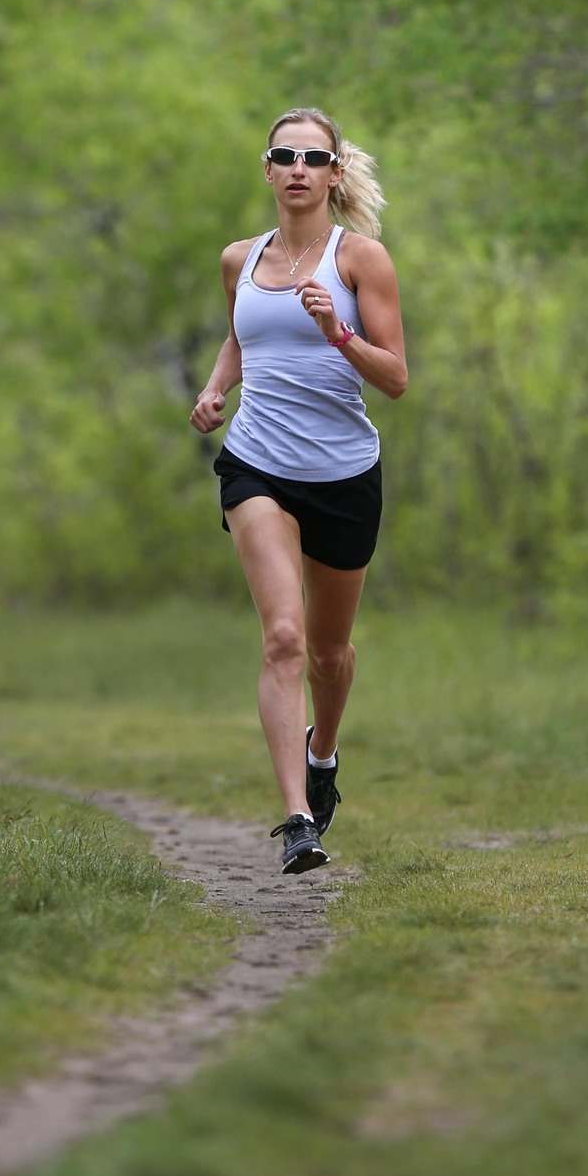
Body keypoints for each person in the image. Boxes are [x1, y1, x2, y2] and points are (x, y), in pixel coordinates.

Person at [188, 106, 408, 875]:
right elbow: (241, 335)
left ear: (334, 173)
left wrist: (338, 334)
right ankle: (295, 821)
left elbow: (396, 380)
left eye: (313, 159)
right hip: (256, 465)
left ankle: (323, 755)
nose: (297, 169)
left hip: (344, 474)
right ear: (267, 169)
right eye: (284, 156)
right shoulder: (238, 259)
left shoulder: (360, 261)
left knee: (328, 654)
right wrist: (216, 391)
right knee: (281, 637)